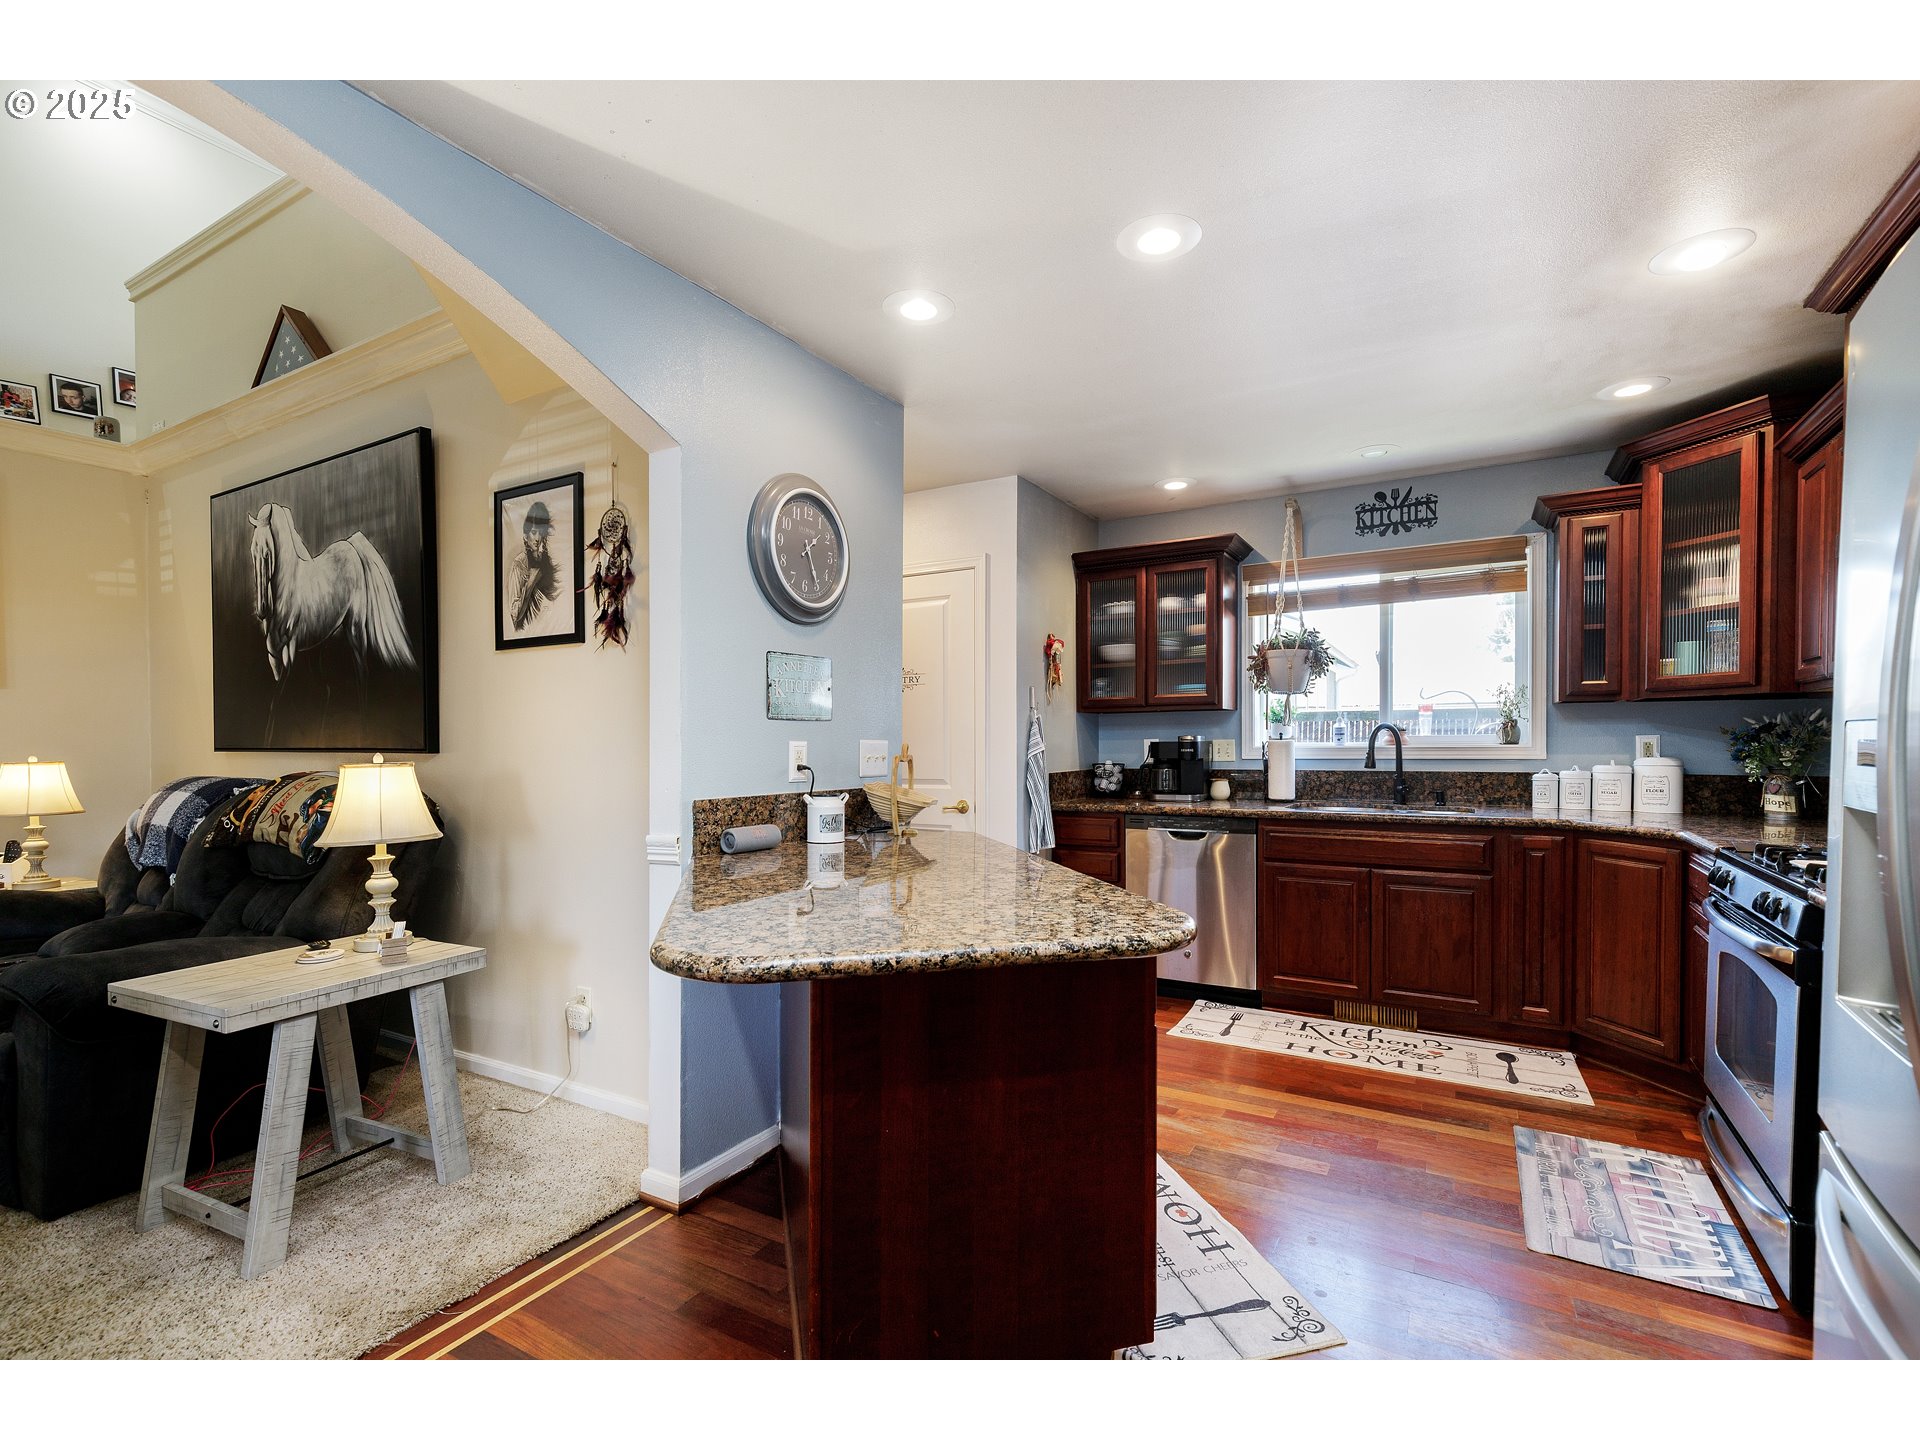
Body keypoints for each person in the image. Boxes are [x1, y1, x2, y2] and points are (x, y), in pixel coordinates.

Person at [507, 500, 559, 631]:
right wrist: (530, 582)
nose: (537, 538)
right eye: (534, 532)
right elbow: (514, 614)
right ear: (525, 536)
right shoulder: (518, 565)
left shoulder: (546, 561)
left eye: (541, 533)